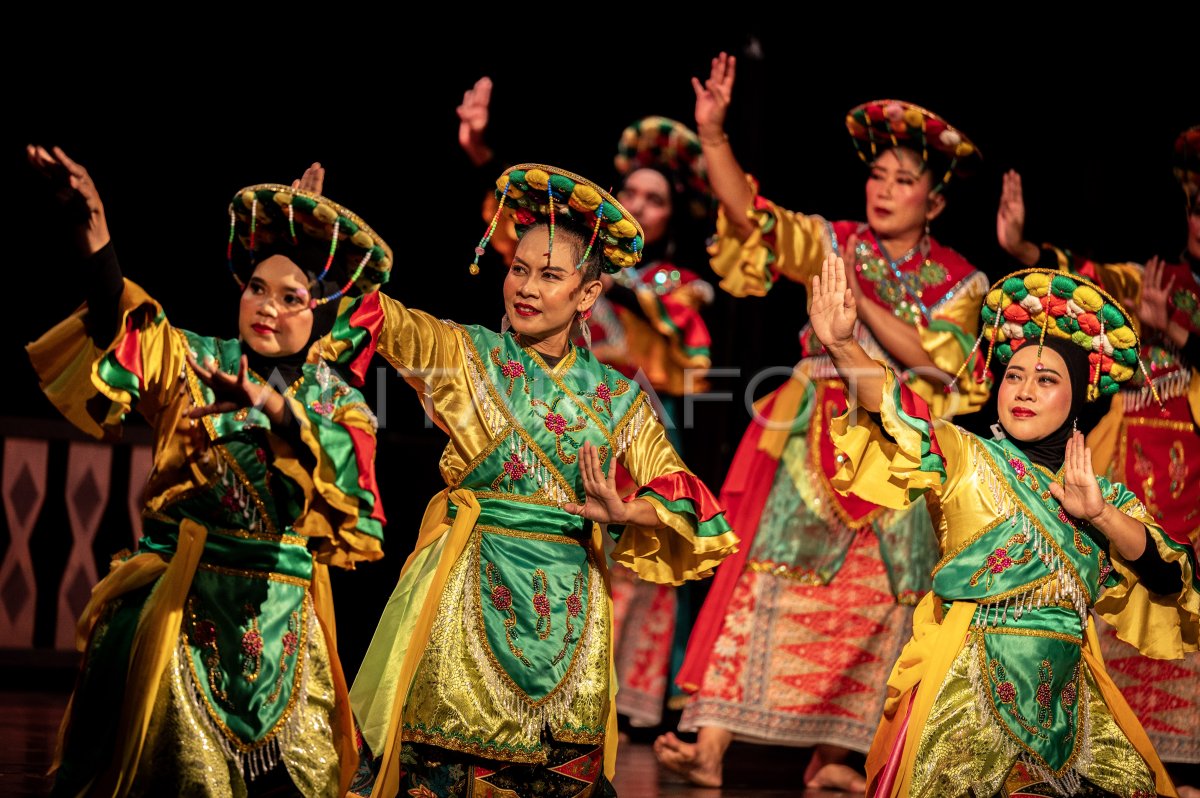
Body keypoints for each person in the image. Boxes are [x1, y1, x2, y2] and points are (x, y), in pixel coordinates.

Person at [332, 164, 738, 797]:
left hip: (571, 621)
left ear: (587, 294)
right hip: (466, 603)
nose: (525, 287)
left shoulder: (616, 400)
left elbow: (685, 492)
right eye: (518, 269)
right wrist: (317, 252)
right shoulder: (467, 356)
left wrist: (625, 513)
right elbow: (386, 319)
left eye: (550, 275)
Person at [657, 53, 989, 791]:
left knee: (885, 593)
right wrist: (714, 136)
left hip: (898, 438)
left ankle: (841, 756)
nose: (886, 192)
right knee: (767, 573)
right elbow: (753, 216)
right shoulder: (834, 240)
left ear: (934, 201)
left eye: (906, 181)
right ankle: (711, 743)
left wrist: (857, 307)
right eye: (879, 176)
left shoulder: (964, 282)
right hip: (812, 432)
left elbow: (939, 365)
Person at [25, 148, 387, 796]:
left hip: (283, 631)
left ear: (322, 312)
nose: (266, 307)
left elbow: (336, 469)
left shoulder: (338, 403)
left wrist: (270, 402)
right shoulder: (198, 360)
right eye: (256, 288)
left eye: (291, 296)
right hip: (181, 617)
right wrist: (98, 240)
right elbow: (131, 333)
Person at [809, 251, 1198, 797]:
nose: (1024, 390)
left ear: (1077, 396)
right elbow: (900, 408)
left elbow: (1171, 577)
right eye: (1014, 375)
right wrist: (845, 346)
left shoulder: (1097, 496)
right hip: (968, 694)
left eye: (1045, 379)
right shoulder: (965, 454)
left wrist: (1100, 516)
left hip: (1072, 704)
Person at [997, 125, 1200, 796]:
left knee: (1173, 587)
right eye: (1196, 206)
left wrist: (1179, 339)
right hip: (1133, 453)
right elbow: (1082, 290)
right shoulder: (1156, 276)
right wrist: (1024, 249)